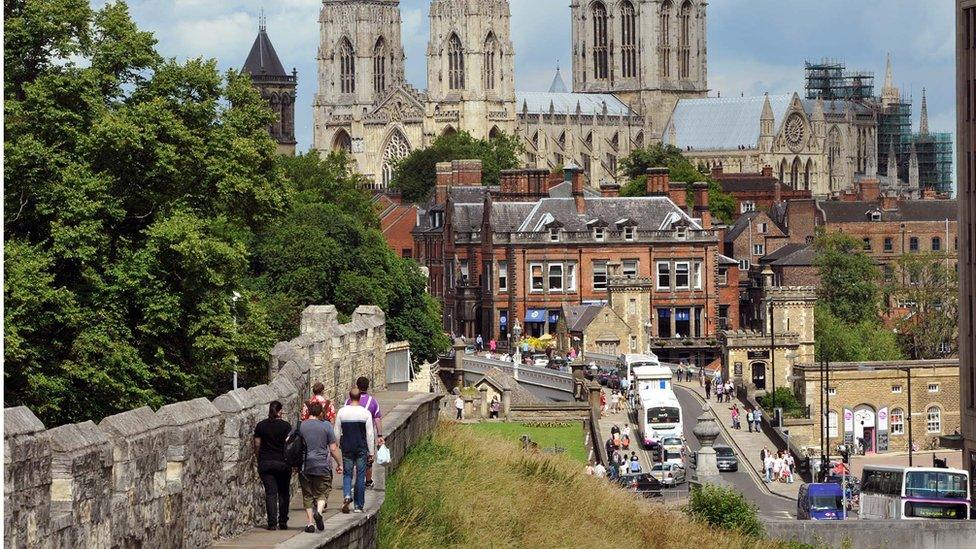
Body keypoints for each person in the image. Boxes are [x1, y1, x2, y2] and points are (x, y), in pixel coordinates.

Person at [297, 402, 343, 532]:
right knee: (322, 492)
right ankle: (319, 513)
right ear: (321, 412)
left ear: (309, 412)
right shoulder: (326, 426)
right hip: (322, 464)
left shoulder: (301, 426)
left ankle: (310, 524)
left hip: (305, 465)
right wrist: (339, 464)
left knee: (307, 494)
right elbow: (333, 449)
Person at [335, 389, 376, 514]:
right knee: (360, 475)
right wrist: (371, 451)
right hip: (361, 447)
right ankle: (358, 505)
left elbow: (336, 430)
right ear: (359, 398)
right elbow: (369, 434)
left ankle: (347, 495)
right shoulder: (365, 413)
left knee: (347, 473)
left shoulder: (342, 412)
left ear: (349, 397)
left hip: (347, 447)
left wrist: (336, 444)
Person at [254, 401, 292, 530]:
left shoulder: (261, 426)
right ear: (280, 411)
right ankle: (282, 521)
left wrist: (259, 459)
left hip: (265, 462)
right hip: (282, 463)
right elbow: (289, 445)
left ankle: (271, 523)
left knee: (270, 493)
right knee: (283, 492)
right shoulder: (286, 426)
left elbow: (257, 444)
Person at [345, 377, 384, 489]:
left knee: (351, 459)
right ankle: (367, 481)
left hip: (350, 434)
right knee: (368, 458)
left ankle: (351, 482)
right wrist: (380, 435)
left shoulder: (348, 401)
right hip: (366, 434)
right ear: (368, 387)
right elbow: (377, 419)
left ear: (356, 386)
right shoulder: (372, 401)